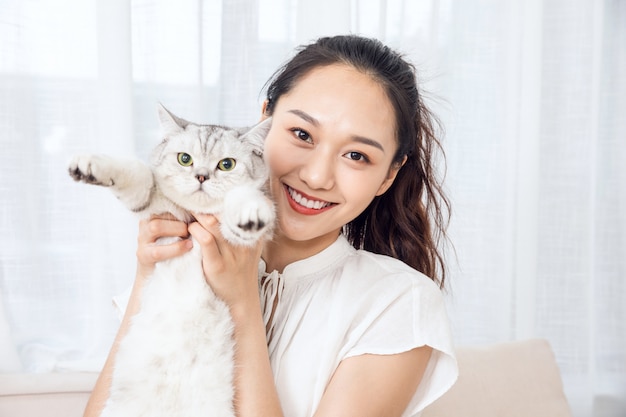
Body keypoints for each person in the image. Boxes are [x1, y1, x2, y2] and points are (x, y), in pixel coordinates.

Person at [85, 34, 457, 417]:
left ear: (389, 176)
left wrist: (242, 300)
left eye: (356, 155)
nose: (316, 177)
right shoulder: (190, 247)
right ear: (264, 122)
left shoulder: (398, 302)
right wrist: (149, 276)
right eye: (301, 134)